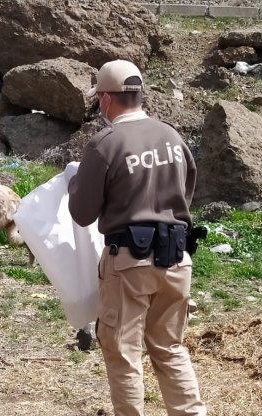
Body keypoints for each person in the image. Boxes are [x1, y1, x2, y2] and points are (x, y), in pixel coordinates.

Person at [67, 59, 206, 416]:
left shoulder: (105, 144)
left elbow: (82, 214)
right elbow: (186, 192)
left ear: (106, 100)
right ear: (140, 95)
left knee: (123, 350)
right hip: (177, 256)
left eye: (98, 98)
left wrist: (74, 183)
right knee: (169, 347)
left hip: (129, 261)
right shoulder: (172, 136)